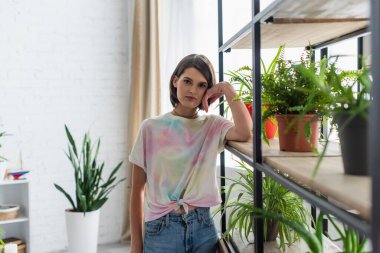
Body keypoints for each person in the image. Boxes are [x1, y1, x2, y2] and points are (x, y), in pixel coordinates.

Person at [129, 54, 252, 253]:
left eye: (202, 85)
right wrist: (136, 245)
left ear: (208, 91)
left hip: (203, 228)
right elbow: (136, 190)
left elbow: (246, 132)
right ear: (175, 81)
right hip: (161, 229)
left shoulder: (213, 125)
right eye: (187, 81)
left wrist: (226, 88)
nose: (193, 90)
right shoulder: (150, 128)